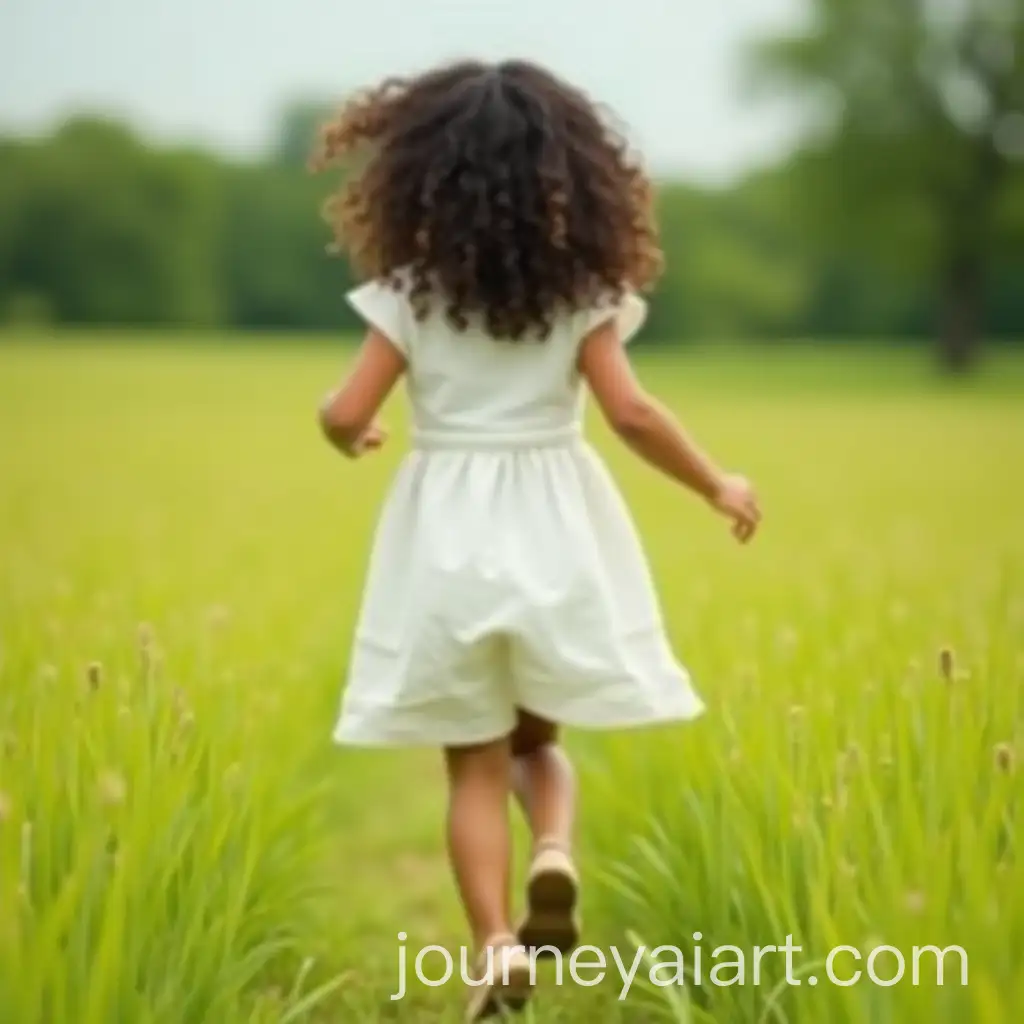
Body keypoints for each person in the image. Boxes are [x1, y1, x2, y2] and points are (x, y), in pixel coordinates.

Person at [311, 59, 762, 1021]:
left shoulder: (409, 294)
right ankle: (553, 851)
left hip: (446, 540)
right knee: (538, 740)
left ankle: (493, 944)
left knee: (471, 761)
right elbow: (632, 414)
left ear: (422, 176)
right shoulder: (580, 295)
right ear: (574, 175)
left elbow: (347, 410)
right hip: (556, 528)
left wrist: (347, 432)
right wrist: (716, 481)